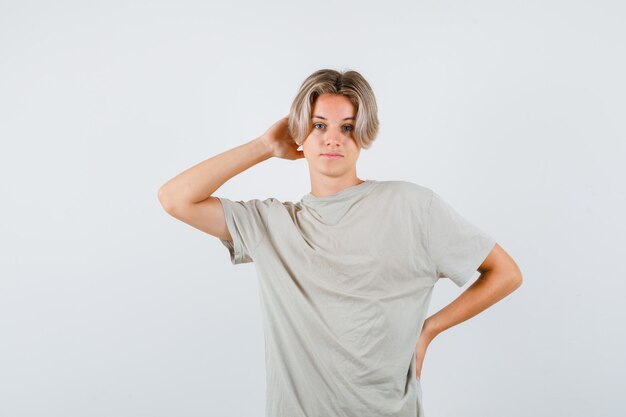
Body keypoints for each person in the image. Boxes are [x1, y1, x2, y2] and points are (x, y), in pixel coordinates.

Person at [158, 68, 523, 417]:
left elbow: (504, 273)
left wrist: (429, 329)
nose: (333, 138)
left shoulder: (413, 206)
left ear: (364, 134)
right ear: (299, 132)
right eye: (319, 125)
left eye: (347, 128)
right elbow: (175, 198)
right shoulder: (270, 225)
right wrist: (264, 145)